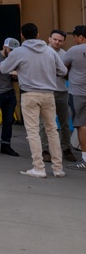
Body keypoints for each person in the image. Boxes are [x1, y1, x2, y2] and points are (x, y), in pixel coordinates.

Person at [0, 22, 68, 178]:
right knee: (52, 130)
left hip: (29, 94)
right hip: (49, 93)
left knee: (33, 132)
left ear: (22, 36)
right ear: (38, 35)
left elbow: (4, 68)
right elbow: (63, 71)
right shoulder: (50, 52)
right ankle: (58, 168)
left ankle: (39, 167)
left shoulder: (19, 52)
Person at [38, 30, 77, 163]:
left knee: (64, 122)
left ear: (64, 42)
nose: (57, 42)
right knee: (44, 122)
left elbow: (68, 73)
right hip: (45, 91)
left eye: (60, 40)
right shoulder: (42, 52)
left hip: (61, 91)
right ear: (49, 38)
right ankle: (45, 150)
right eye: (55, 39)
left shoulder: (65, 54)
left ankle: (66, 148)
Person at [62, 25, 86, 169]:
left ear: (81, 37)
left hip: (78, 92)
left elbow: (61, 68)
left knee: (82, 125)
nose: (74, 39)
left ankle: (84, 158)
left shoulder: (74, 50)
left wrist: (69, 75)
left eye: (75, 37)